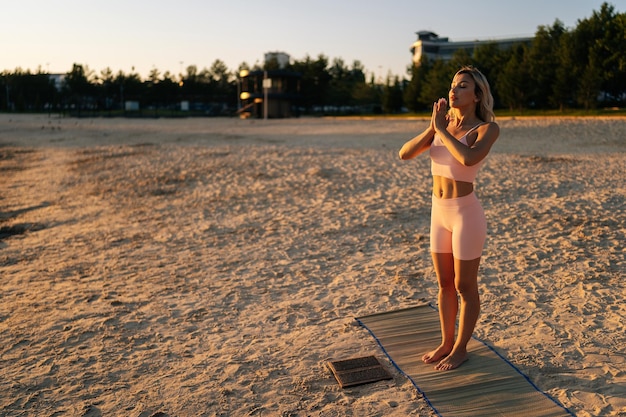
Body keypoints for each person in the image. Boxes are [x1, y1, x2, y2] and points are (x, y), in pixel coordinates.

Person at [398, 66, 499, 371]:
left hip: (465, 214)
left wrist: (442, 131)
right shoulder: (442, 126)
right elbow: (405, 153)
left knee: (464, 286)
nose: (453, 91)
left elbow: (469, 158)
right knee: (444, 283)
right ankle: (445, 342)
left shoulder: (486, 129)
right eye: (453, 85)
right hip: (437, 212)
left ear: (477, 94)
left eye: (463, 86)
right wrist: (434, 127)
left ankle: (461, 348)